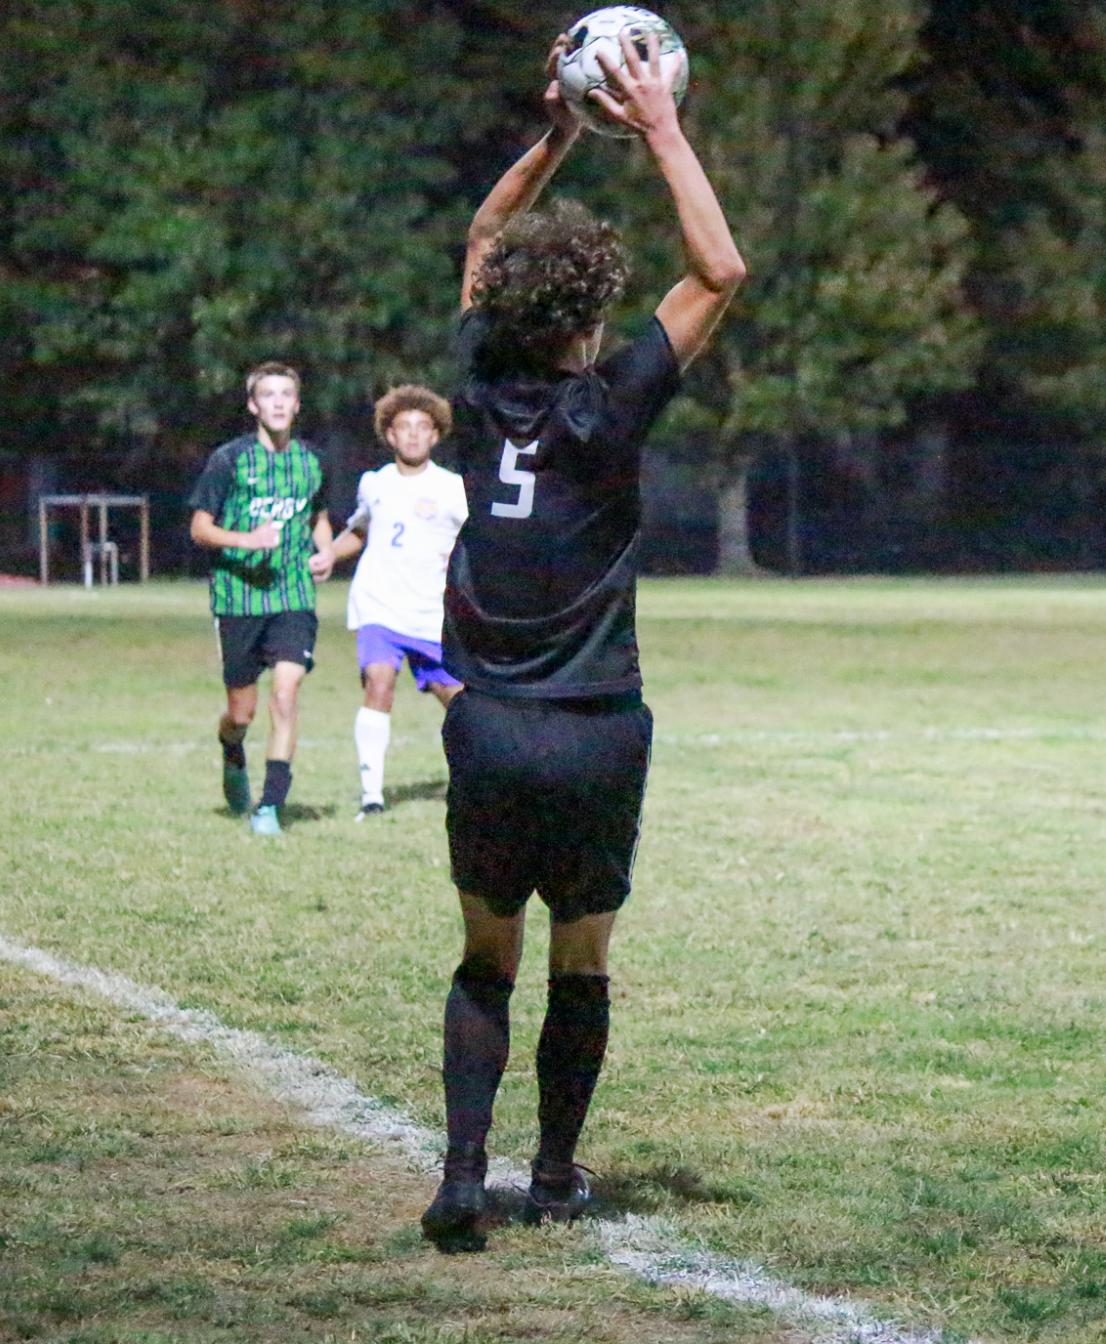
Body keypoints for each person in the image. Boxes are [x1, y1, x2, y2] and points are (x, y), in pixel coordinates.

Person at [419, 29, 744, 1252]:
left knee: (484, 958)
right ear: (594, 314)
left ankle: (463, 1178)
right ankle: (554, 1176)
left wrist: (559, 131)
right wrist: (657, 127)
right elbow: (718, 269)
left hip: (490, 726)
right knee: (582, 959)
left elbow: (483, 239)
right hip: (599, 726)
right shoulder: (610, 409)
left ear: (507, 309)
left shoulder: (478, 385)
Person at [188, 362, 336, 836]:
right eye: (267, 395)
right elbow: (200, 528)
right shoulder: (229, 460)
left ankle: (270, 806)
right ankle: (232, 749)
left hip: (293, 596)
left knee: (286, 693)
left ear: (297, 404)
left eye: (285, 395)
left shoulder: (312, 461)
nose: (277, 403)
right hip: (238, 599)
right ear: (253, 405)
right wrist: (248, 540)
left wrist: (327, 550)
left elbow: (318, 516)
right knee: (242, 713)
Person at [327, 386, 468, 820]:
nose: (412, 436)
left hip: (431, 614)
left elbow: (475, 543)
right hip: (379, 606)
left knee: (461, 703)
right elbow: (360, 531)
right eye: (403, 427)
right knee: (379, 683)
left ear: (435, 436)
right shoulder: (374, 484)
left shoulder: (453, 489)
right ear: (389, 435)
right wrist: (328, 555)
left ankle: (478, 781)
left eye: (422, 428)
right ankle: (371, 796)